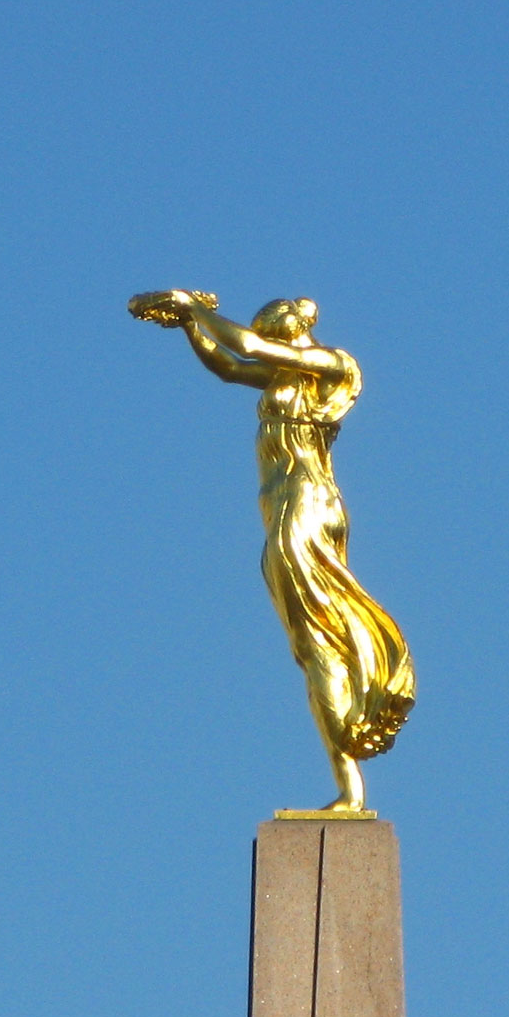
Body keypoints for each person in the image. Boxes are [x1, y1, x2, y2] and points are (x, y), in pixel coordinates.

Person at [129, 290, 415, 811]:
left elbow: (250, 347)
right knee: (310, 647)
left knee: (320, 631)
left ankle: (355, 757)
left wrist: (196, 308)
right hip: (281, 510)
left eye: (272, 315)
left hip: (307, 503)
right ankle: (349, 784)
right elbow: (230, 366)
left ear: (294, 321)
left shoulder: (330, 364)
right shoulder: (283, 379)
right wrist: (190, 328)